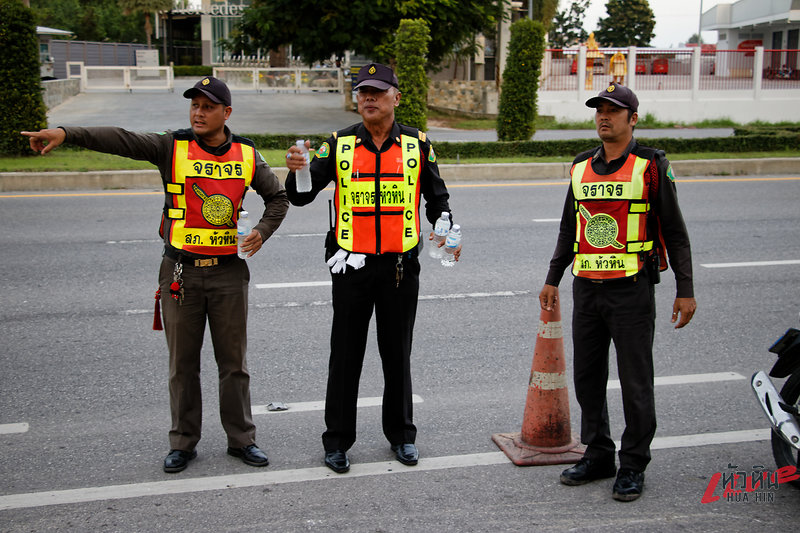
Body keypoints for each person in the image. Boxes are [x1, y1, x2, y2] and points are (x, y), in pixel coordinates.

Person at [22, 76, 289, 474]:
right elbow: (121, 139)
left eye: (208, 106)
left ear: (226, 113)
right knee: (182, 363)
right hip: (180, 272)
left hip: (229, 274)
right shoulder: (172, 146)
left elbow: (278, 198)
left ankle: (242, 439)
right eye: (194, 105)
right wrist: (66, 132)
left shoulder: (247, 154)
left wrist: (261, 232)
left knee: (233, 363)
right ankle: (183, 442)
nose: (198, 112)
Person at [284, 63, 460, 474]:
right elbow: (301, 198)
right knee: (345, 355)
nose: (369, 98)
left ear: (396, 98)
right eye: (363, 91)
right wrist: (300, 169)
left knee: (397, 353)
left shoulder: (418, 144)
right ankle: (337, 441)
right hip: (351, 268)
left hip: (400, 267)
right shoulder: (339, 144)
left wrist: (447, 227)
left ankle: (401, 435)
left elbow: (437, 198)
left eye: (378, 92)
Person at [538, 82, 696, 502]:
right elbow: (569, 228)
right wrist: (553, 277)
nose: (604, 117)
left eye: (613, 110)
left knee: (635, 382)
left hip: (631, 292)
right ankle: (598, 453)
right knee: (588, 378)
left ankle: (633, 464)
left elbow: (676, 233)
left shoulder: (652, 165)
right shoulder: (580, 166)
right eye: (599, 110)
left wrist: (686, 288)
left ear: (633, 118)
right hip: (586, 290)